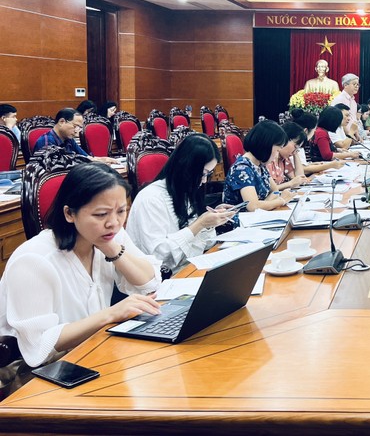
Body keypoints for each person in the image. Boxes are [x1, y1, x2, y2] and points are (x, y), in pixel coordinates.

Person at [0, 163, 160, 387]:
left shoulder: (108, 236)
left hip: (91, 352)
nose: (113, 223)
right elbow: (39, 346)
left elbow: (149, 283)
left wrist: (112, 250)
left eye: (121, 211)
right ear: (69, 213)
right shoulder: (34, 259)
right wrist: (110, 314)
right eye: (101, 214)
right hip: (35, 374)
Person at [128, 134, 237, 274]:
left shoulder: (185, 191)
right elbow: (160, 258)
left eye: (208, 174)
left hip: (190, 268)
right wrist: (199, 224)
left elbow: (204, 245)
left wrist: (210, 222)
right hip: (161, 278)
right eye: (202, 174)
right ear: (187, 168)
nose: (204, 181)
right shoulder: (151, 199)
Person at [222, 120, 293, 212]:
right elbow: (252, 206)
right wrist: (281, 201)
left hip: (257, 217)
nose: (276, 156)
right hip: (241, 219)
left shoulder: (260, 164)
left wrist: (264, 204)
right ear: (266, 146)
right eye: (277, 150)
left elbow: (275, 190)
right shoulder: (242, 168)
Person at [33, 108, 116, 163]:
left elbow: (86, 157)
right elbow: (53, 170)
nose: (77, 132)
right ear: (62, 122)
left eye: (79, 128)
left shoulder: (68, 139)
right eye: (75, 126)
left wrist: (103, 159)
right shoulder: (46, 142)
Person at [289, 110, 343, 175]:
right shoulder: (296, 145)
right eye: (314, 130)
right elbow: (303, 169)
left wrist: (312, 164)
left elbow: (302, 165)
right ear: (306, 131)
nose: (315, 132)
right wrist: (330, 165)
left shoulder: (300, 144)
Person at [268, 121, 309, 189]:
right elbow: (269, 189)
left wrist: (295, 153)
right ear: (285, 139)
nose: (294, 152)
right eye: (295, 146)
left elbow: (299, 178)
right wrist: (289, 184)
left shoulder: (284, 159)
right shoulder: (268, 158)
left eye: (297, 149)